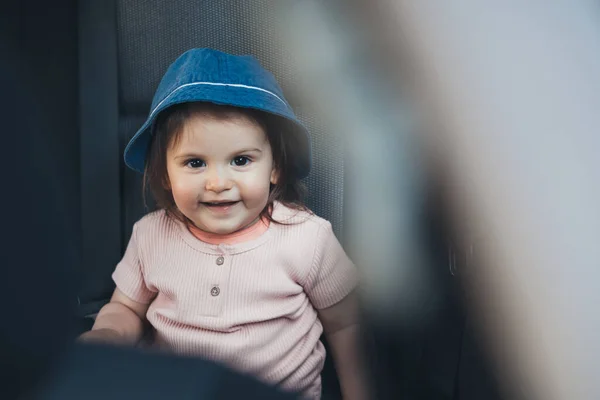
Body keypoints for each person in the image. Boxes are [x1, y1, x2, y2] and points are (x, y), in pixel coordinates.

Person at [80, 48, 366, 400]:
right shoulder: (151, 234)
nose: (218, 183)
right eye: (195, 163)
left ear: (274, 169)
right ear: (165, 175)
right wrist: (107, 335)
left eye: (241, 160)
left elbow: (346, 324)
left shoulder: (308, 238)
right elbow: (125, 308)